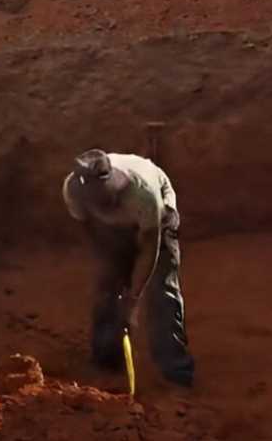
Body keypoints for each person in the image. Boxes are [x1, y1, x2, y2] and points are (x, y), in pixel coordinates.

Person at [62, 149, 195, 387]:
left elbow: (149, 250)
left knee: (161, 292)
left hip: (157, 223)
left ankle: (176, 371)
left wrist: (133, 300)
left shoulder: (143, 194)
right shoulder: (72, 191)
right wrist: (109, 266)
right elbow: (89, 233)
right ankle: (106, 361)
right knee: (106, 288)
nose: (103, 203)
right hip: (112, 230)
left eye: (106, 197)